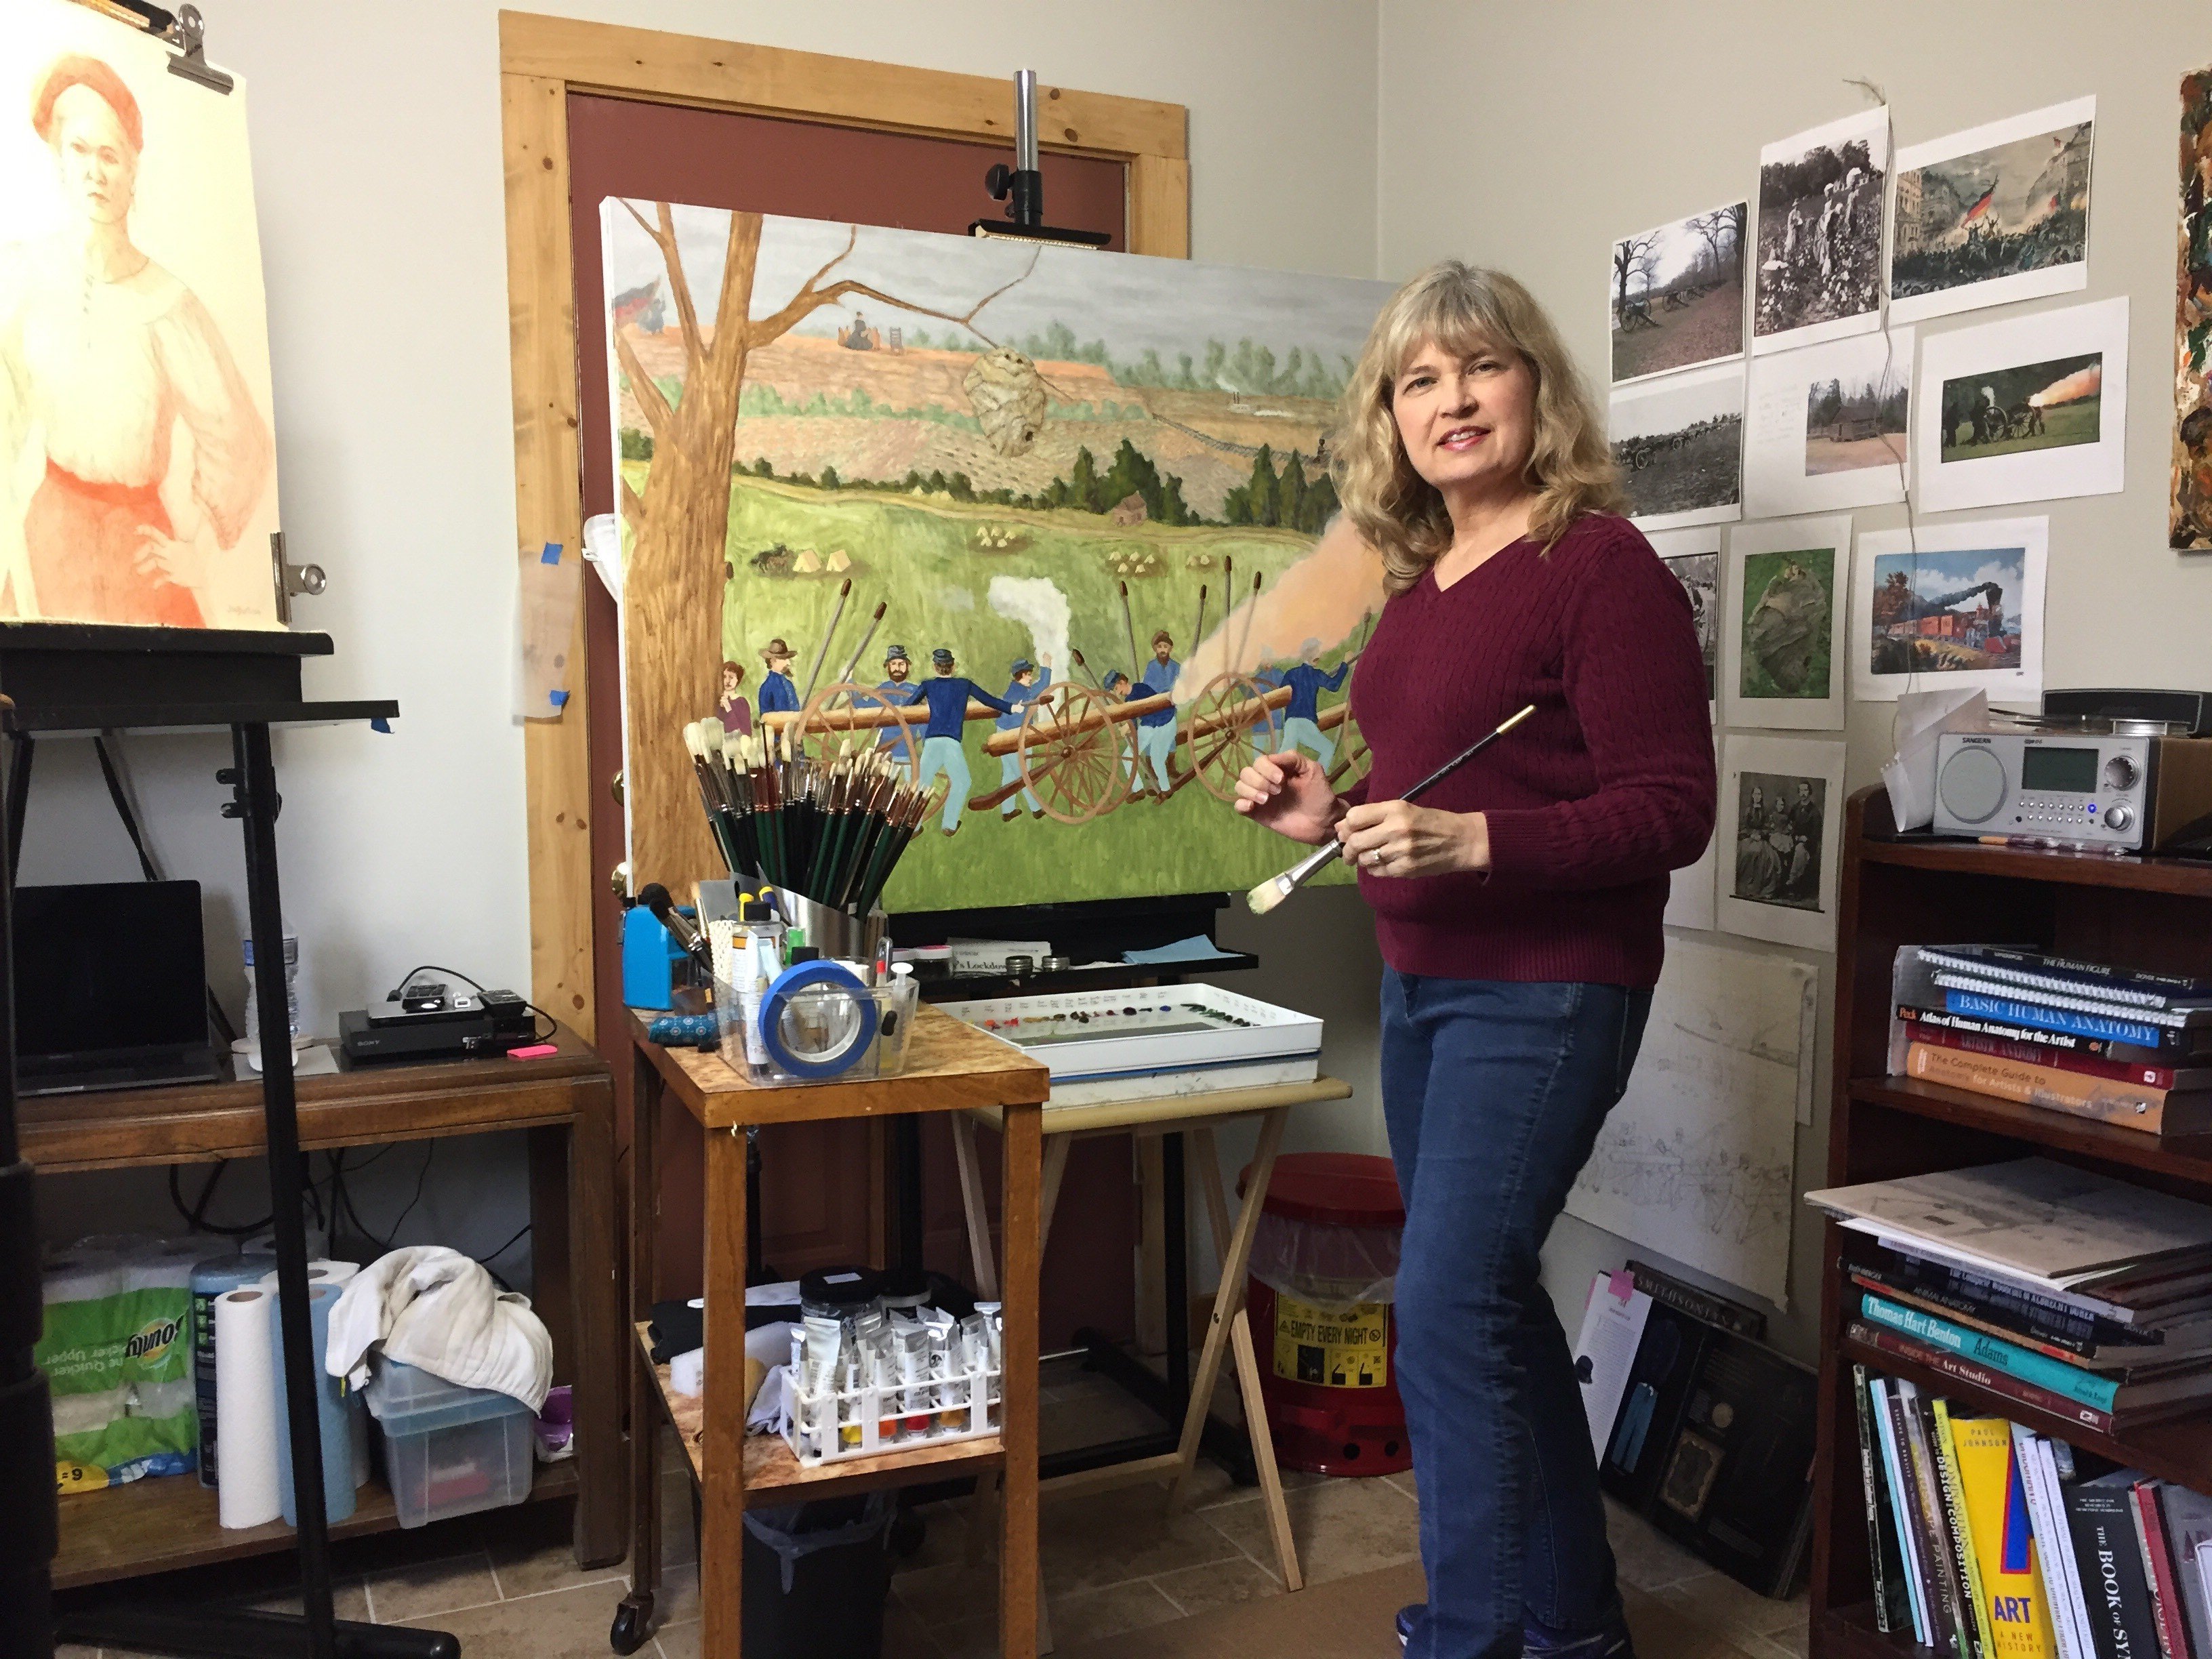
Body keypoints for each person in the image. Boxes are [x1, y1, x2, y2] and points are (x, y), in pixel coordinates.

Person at [1231, 262, 1713, 1659]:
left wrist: (1478, 848)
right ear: (1391, 415)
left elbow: (1671, 810)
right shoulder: (1428, 582)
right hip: (1426, 984)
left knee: (1442, 1310)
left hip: (1548, 986)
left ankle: (1474, 1635)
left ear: (1535, 387)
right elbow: (1431, 778)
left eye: (1480, 368)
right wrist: (1336, 816)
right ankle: (1567, 1630)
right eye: (1419, 380)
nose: (1452, 401)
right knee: (1487, 1307)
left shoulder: (1598, 563)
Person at [1, 54, 275, 625]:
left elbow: (240, 441)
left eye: (110, 155)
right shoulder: (26, 279)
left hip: (138, 556)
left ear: (133, 171)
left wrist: (196, 546)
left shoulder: (167, 304)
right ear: (57, 158)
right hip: (48, 543)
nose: (95, 173)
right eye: (78, 150)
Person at [912, 647, 1010, 836]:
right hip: (951, 742)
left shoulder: (928, 686)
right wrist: (1012, 707)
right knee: (962, 781)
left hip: (932, 741)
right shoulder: (964, 685)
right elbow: (989, 700)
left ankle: (914, 826)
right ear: (953, 667)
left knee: (922, 782)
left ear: (935, 667)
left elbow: (908, 705)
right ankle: (949, 825)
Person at [1276, 639, 1350, 770]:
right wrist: (1344, 665)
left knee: (1284, 757)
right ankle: (1317, 777)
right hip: (1306, 723)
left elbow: (1282, 696)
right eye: (1317, 652)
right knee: (1328, 749)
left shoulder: (1292, 673)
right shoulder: (1316, 675)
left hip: (1291, 722)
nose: (1319, 655)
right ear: (1311, 654)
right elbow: (1334, 685)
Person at [994, 654, 1052, 819]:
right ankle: (1036, 809)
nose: (1031, 678)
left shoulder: (1013, 689)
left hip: (1003, 732)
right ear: (1023, 675)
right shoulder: (1024, 692)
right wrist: (1047, 666)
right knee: (1023, 772)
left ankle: (1007, 811)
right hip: (1014, 735)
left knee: (1010, 774)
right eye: (1029, 674)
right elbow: (1043, 684)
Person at [876, 644, 920, 768]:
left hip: (907, 752)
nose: (897, 668)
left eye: (901, 664)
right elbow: (863, 707)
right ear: (888, 667)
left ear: (907, 666)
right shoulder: (881, 690)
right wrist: (850, 684)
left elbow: (925, 722)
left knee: (910, 785)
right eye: (893, 664)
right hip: (883, 753)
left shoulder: (915, 691)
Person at [756, 638, 800, 724]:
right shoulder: (766, 688)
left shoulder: (789, 685)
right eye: (784, 659)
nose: (788, 663)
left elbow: (796, 712)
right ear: (773, 661)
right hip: (776, 736)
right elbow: (766, 719)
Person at [717, 661, 752, 736]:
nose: (727, 681)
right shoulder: (720, 700)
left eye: (731, 677)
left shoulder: (742, 703)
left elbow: (745, 732)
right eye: (724, 677)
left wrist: (729, 708)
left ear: (738, 680)